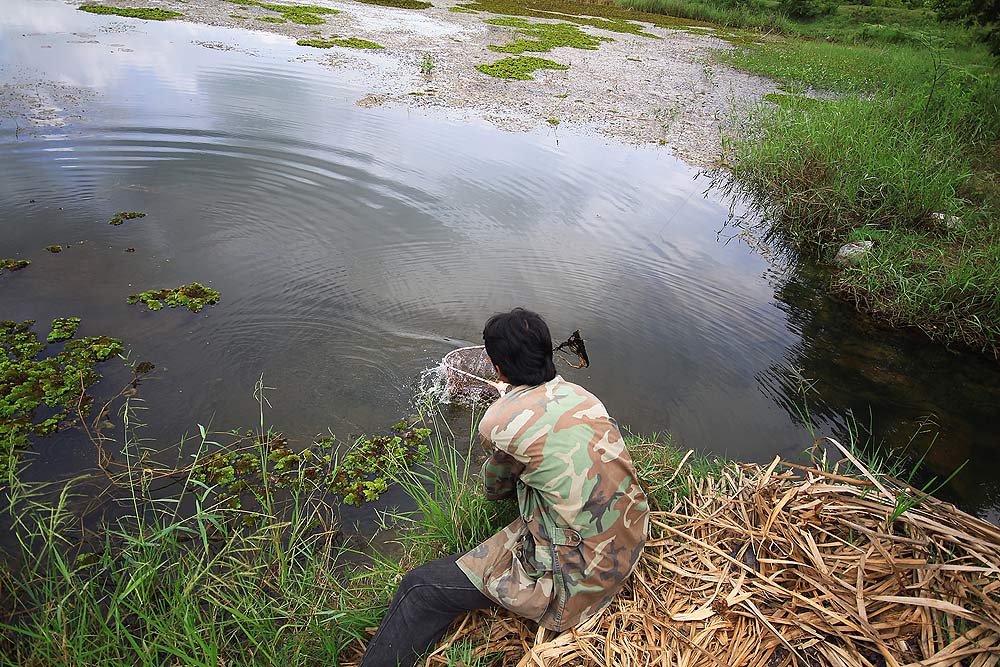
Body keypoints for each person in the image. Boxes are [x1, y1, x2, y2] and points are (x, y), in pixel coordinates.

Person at [360, 308, 649, 667]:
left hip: (582, 580)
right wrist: (514, 395)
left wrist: (506, 405)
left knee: (419, 588)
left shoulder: (499, 420)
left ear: (497, 368)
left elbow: (495, 490)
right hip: (630, 537)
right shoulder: (582, 395)